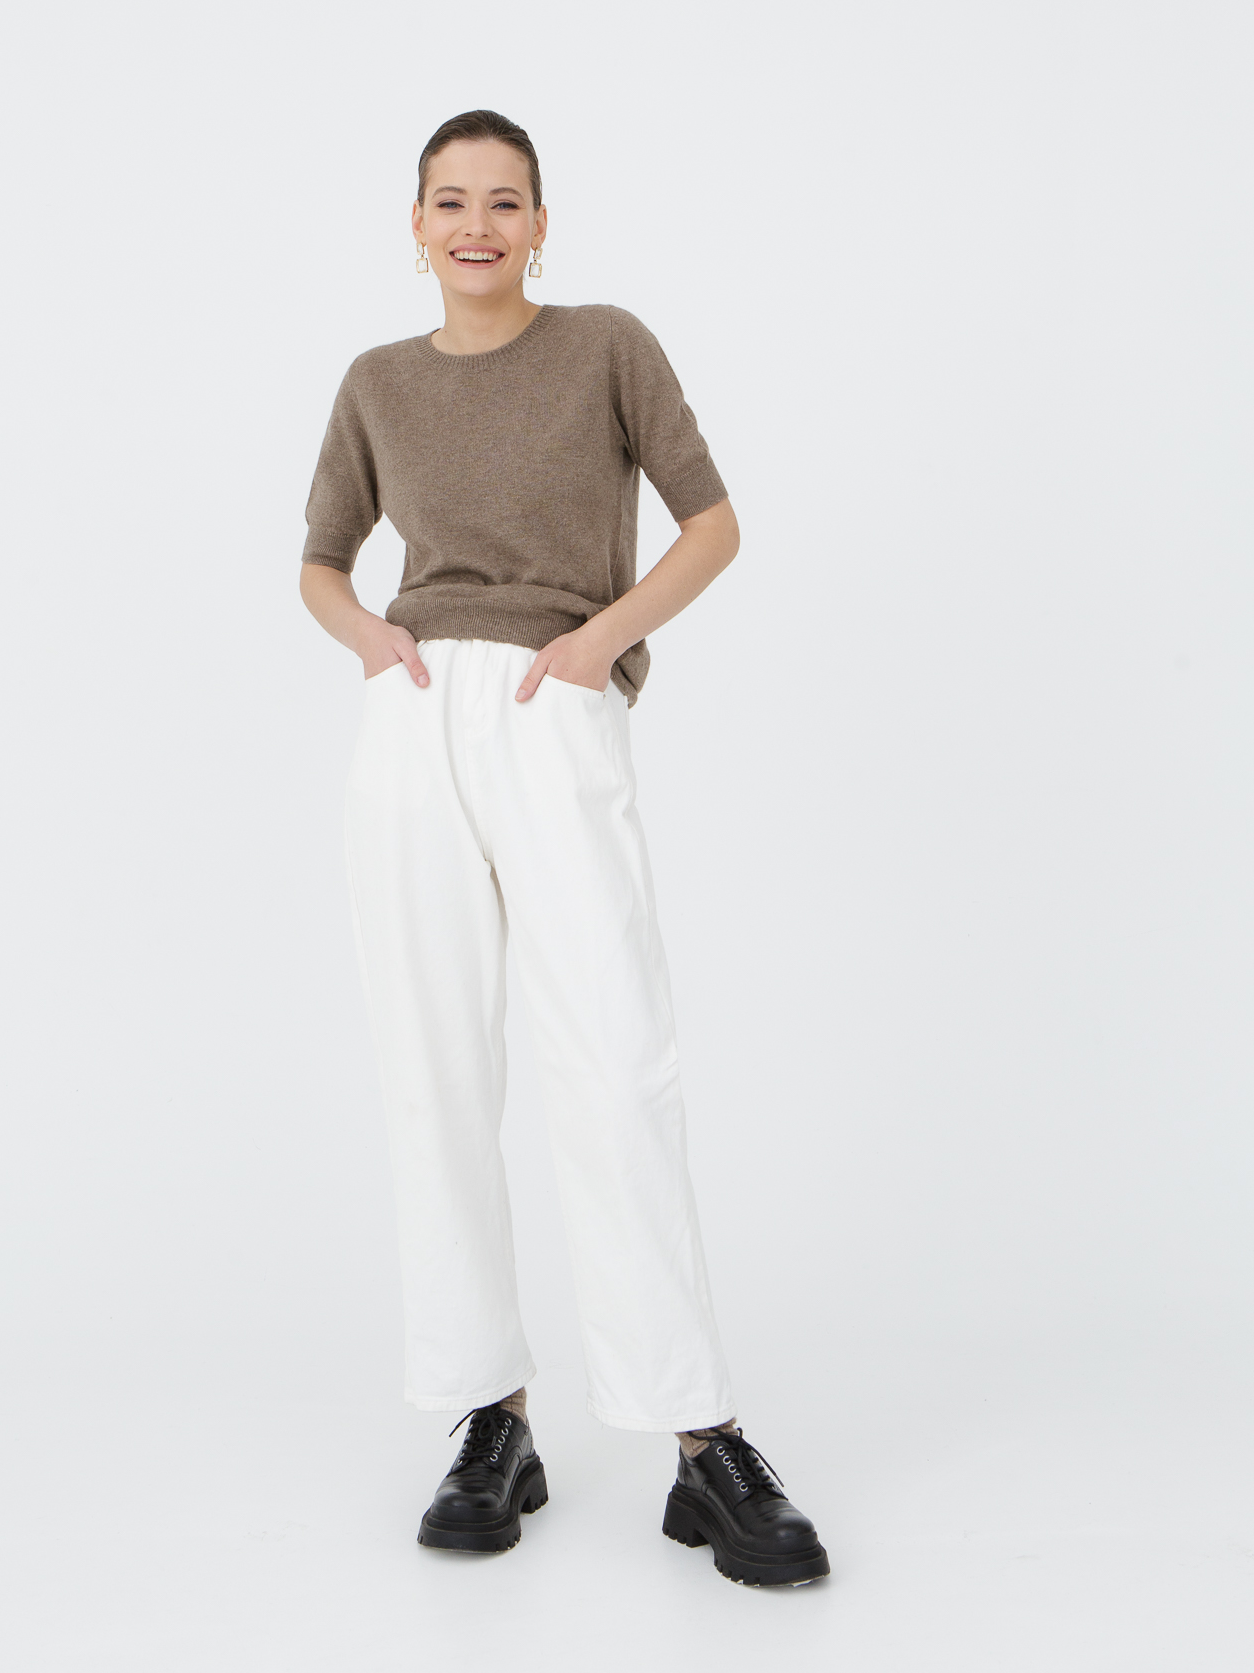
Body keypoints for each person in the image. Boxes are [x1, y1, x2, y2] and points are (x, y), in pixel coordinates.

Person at [299, 108, 829, 1588]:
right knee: (435, 1068)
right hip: (415, 717)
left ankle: (702, 1439)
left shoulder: (607, 346)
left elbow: (712, 524)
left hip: (554, 700)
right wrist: (374, 649)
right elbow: (322, 561)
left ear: (542, 224)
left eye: (504, 201)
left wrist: (600, 642)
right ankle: (493, 1415)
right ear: (414, 225)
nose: (476, 224)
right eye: (450, 200)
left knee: (615, 1061)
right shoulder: (377, 380)